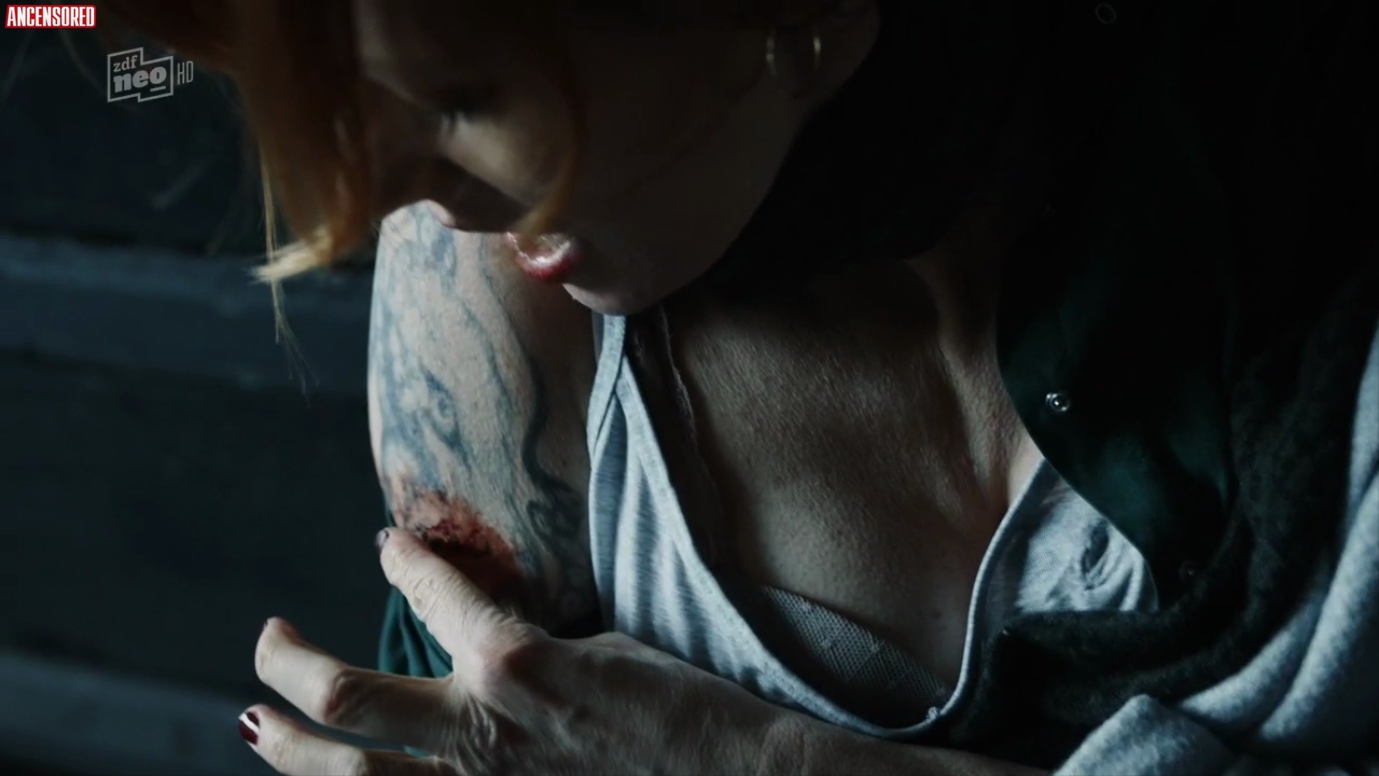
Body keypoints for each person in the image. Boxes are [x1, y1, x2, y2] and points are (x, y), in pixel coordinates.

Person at [103, 0, 1378, 773]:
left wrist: (755, 756)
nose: (379, 196)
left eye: (456, 98)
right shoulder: (493, 304)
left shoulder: (1312, 229)